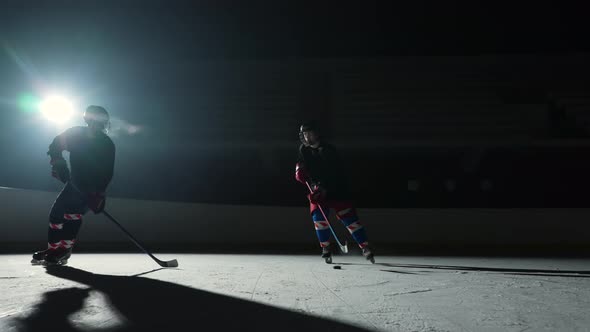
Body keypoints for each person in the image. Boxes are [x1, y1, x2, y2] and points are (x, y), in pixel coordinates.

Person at [31, 105, 115, 265]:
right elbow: (56, 144)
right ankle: (53, 248)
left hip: (89, 189)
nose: (98, 124)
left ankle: (64, 251)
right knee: (56, 214)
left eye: (101, 121)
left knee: (72, 214)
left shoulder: (107, 144)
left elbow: (107, 172)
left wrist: (98, 193)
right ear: (88, 119)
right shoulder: (77, 133)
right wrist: (58, 163)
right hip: (74, 184)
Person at [294, 121, 374, 263]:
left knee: (349, 219)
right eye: (304, 134)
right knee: (319, 217)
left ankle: (365, 247)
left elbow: (335, 173)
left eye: (309, 133)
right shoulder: (303, 149)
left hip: (337, 189)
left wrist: (324, 187)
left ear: (317, 133)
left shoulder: (329, 150)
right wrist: (299, 171)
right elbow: (302, 166)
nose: (306, 137)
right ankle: (325, 248)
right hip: (318, 190)